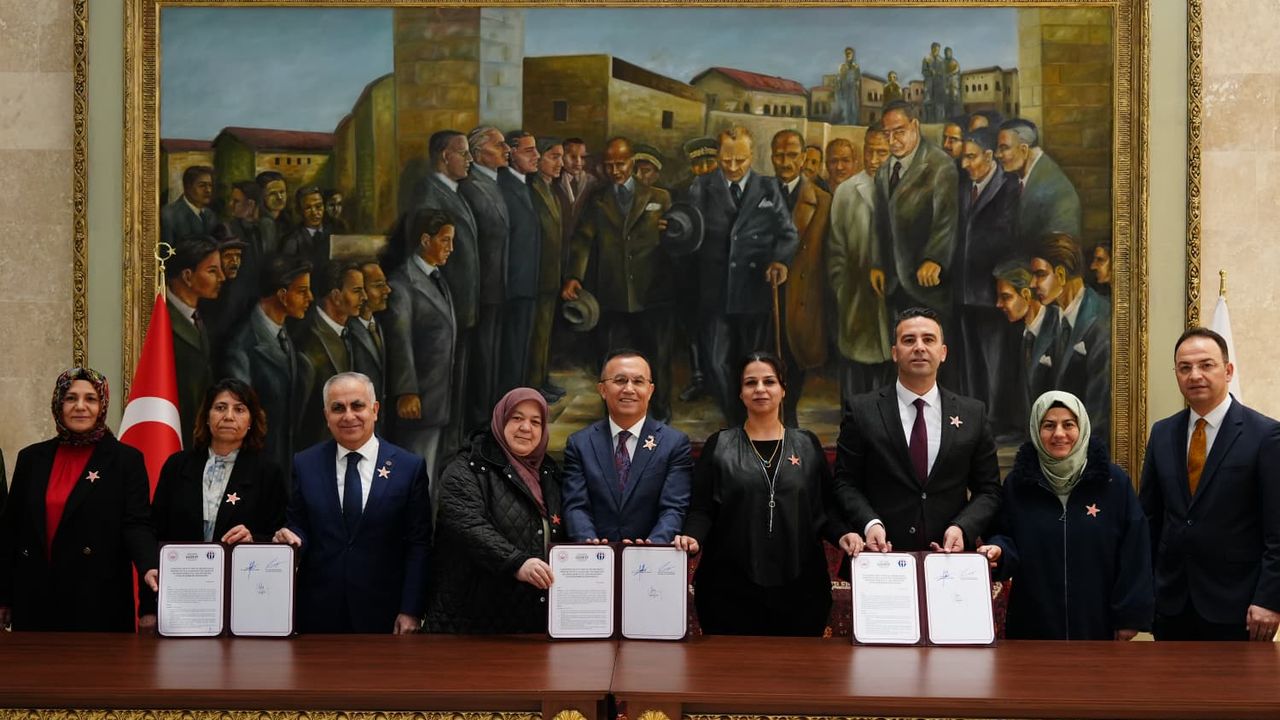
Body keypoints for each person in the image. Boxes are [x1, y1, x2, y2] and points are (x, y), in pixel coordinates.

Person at [674, 352, 861, 636]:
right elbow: (702, 510)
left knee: (798, 664)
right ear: (740, 392)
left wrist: (843, 534)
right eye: (751, 383)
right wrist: (692, 536)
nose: (760, 389)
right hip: (728, 589)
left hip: (801, 590)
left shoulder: (807, 444)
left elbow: (826, 509)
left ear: (783, 389)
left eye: (769, 381)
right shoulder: (719, 444)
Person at [1140, 328, 1280, 641]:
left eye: (1206, 365)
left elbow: (1277, 529)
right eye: (1185, 367)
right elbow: (1150, 520)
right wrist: (1146, 591)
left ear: (1228, 371)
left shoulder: (1265, 435)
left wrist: (1270, 599)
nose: (1195, 375)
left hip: (1240, 606)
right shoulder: (1162, 433)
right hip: (1171, 605)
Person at [976, 391, 1153, 640]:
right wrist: (999, 551)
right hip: (1033, 626)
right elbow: (1003, 536)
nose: (1059, 434)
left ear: (1082, 428)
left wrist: (1129, 617)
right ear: (1036, 431)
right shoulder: (1017, 484)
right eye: (1049, 425)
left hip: (1098, 625)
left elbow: (1135, 552)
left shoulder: (1114, 483)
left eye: (1068, 424)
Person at [0, 368, 158, 631]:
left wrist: (148, 567)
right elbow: (11, 530)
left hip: (97, 601)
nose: (80, 407)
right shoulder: (31, 458)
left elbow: (137, 525)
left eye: (91, 399)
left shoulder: (125, 460)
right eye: (71, 398)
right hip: (35, 599)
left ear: (102, 406)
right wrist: (4, 596)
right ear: (58, 404)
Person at [273, 372, 431, 634]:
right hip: (318, 612)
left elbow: (419, 545)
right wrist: (291, 538)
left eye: (357, 406)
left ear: (375, 410)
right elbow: (299, 525)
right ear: (326, 415)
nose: (348, 416)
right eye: (338, 408)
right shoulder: (305, 463)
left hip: (384, 613)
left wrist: (411, 609)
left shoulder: (408, 467)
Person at [832, 308, 1001, 552]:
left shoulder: (973, 413)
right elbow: (845, 483)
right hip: (882, 554)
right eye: (909, 340)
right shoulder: (861, 411)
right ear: (894, 353)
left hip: (948, 557)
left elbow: (989, 490)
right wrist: (870, 523)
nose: (919, 347)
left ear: (943, 352)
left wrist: (962, 527)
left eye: (928, 339)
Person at [425, 388, 564, 633]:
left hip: (527, 624)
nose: (526, 428)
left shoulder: (550, 474)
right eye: (517, 418)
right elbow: (469, 527)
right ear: (500, 420)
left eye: (535, 422)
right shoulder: (467, 468)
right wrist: (517, 562)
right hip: (469, 625)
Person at [686, 126, 798, 426]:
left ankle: (752, 420)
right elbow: (690, 229)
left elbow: (788, 233)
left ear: (752, 156)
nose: (733, 167)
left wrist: (780, 260)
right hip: (715, 292)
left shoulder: (768, 187)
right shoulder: (702, 186)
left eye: (741, 160)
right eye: (726, 160)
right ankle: (736, 419)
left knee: (753, 362)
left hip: (754, 290)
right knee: (716, 362)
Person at [562, 137, 676, 422]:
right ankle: (614, 415)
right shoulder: (597, 200)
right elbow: (583, 240)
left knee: (656, 358)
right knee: (612, 360)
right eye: (610, 165)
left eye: (621, 164)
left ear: (632, 162)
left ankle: (660, 412)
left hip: (651, 295)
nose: (615, 170)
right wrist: (574, 276)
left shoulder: (660, 197)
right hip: (611, 295)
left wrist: (674, 231)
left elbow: (677, 240)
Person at [561, 349, 693, 543]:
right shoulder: (580, 444)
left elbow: (673, 508)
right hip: (596, 555)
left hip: (650, 555)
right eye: (620, 380)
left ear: (650, 391)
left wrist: (651, 546)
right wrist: (591, 545)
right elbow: (576, 506)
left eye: (638, 381)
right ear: (602, 390)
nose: (629, 389)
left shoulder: (674, 443)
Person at [151, 378, 287, 546]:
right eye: (220, 408)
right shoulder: (177, 466)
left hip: (240, 563)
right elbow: (155, 528)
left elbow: (277, 536)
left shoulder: (268, 473)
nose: (228, 417)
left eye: (239, 409)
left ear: (251, 421)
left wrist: (252, 541)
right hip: (181, 563)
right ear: (207, 417)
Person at [384, 209, 458, 484]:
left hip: (436, 398)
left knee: (427, 472)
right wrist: (407, 391)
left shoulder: (436, 278)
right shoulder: (402, 283)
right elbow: (399, 340)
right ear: (426, 240)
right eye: (445, 240)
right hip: (417, 401)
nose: (451, 248)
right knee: (413, 474)